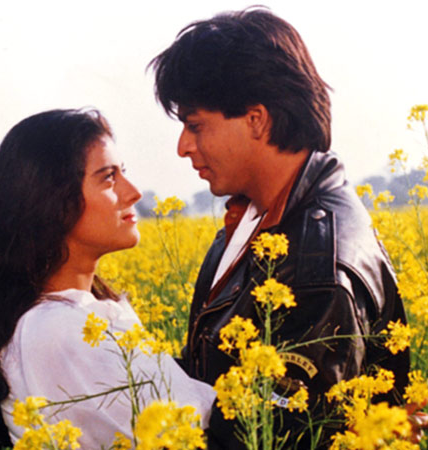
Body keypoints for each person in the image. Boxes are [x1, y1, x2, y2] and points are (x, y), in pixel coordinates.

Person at [149, 8, 414, 448]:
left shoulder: (316, 267)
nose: (183, 147)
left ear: (257, 119)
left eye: (195, 125)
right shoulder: (253, 220)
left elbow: (285, 435)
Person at [0, 109, 216, 449]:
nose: (133, 192)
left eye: (123, 173)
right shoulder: (57, 330)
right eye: (108, 178)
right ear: (52, 202)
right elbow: (184, 433)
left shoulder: (76, 314)